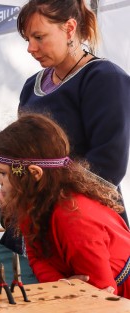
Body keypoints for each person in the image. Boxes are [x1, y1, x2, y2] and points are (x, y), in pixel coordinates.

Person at [0, 113, 130, 299]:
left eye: (2, 173)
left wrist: (74, 292)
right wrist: (59, 285)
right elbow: (37, 257)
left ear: (34, 173)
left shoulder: (74, 219)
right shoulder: (34, 202)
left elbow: (104, 296)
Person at [17, 0, 130, 224]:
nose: (30, 48)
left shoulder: (104, 78)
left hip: (82, 219)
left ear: (69, 29)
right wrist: (13, 187)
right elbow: (19, 154)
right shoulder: (31, 86)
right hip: (36, 215)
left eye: (39, 37)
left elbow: (108, 165)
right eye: (28, 39)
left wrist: (50, 198)